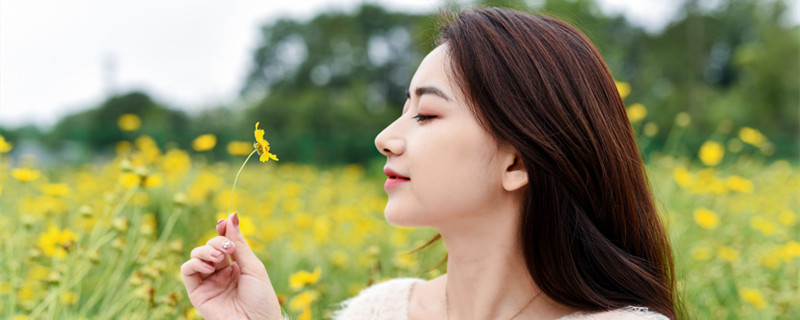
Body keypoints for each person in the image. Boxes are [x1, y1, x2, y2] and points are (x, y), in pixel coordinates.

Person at [181, 7, 680, 320]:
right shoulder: (380, 310)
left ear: (517, 161)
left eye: (425, 113)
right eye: (403, 109)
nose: (384, 139)